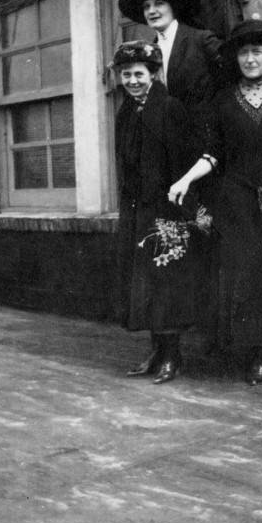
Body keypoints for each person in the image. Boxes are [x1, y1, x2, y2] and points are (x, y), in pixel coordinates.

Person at [168, 20, 262, 385]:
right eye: (244, 53)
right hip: (238, 200)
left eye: (257, 52)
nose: (250, 59)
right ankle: (257, 356)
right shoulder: (222, 100)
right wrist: (185, 179)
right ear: (235, 58)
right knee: (248, 275)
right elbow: (214, 153)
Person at [111, 40, 201, 385]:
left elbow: (182, 162)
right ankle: (156, 352)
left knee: (166, 283)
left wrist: (179, 209)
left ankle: (172, 356)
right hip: (137, 210)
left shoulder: (170, 108)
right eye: (126, 75)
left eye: (138, 74)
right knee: (145, 284)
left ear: (153, 74)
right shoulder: (126, 112)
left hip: (166, 209)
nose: (132, 81)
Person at [117, 0, 224, 117]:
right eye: (146, 7)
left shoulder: (200, 39)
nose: (151, 11)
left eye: (159, 4)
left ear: (174, 6)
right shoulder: (147, 53)